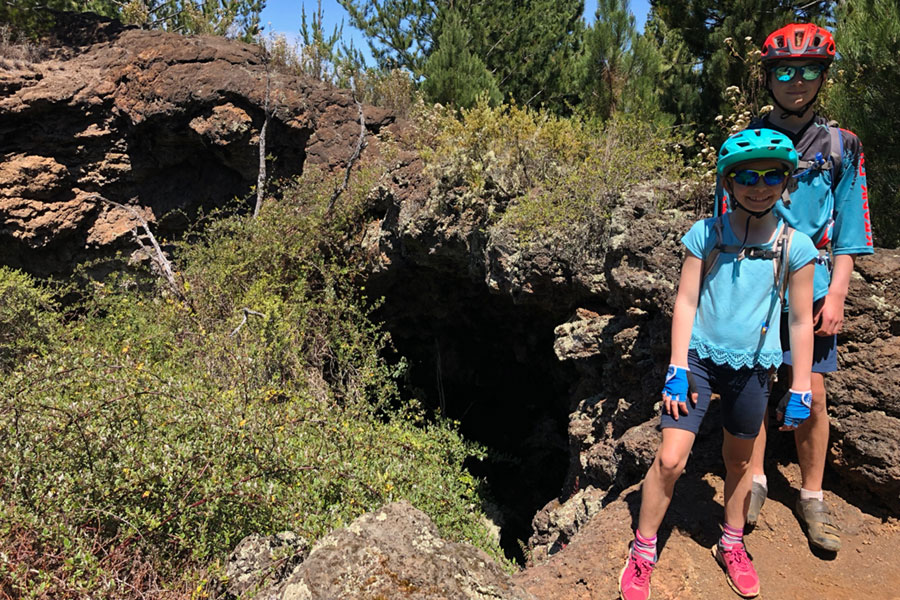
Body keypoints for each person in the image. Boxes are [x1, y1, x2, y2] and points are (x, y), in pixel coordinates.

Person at [617, 128, 817, 600]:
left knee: (740, 460)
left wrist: (802, 385)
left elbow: (803, 322)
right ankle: (643, 551)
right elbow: (686, 301)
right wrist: (677, 366)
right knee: (669, 459)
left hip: (753, 366)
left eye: (772, 175)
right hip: (699, 362)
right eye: (746, 175)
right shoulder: (705, 234)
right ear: (728, 183)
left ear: (786, 181)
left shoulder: (797, 247)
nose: (759, 184)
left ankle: (732, 543)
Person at [716, 23, 875, 553]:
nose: (797, 81)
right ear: (769, 78)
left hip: (815, 287)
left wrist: (838, 296)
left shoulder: (842, 146)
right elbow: (723, 224)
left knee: (816, 392)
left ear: (823, 77)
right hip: (756, 287)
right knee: (753, 387)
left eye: (810, 70)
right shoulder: (743, 143)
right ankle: (756, 479)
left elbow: (852, 231)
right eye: (786, 70)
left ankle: (812, 495)